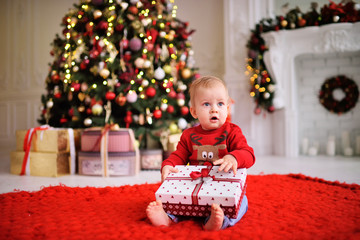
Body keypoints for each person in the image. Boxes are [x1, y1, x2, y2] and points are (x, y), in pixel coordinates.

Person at [146, 76, 255, 231]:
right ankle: (168, 217)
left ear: (227, 108)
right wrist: (168, 165)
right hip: (194, 187)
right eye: (206, 104)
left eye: (220, 103)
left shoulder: (232, 132)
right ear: (194, 112)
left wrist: (234, 157)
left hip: (223, 188)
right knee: (175, 199)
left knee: (241, 201)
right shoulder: (188, 135)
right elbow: (179, 156)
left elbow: (248, 154)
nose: (214, 109)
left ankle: (218, 220)